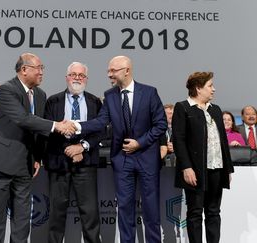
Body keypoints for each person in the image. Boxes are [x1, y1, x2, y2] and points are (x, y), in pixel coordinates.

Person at [0, 53, 75, 243]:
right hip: (0, 163)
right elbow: (23, 119)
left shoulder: (40, 95)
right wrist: (57, 125)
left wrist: (38, 157)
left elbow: (37, 130)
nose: (42, 72)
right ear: (24, 70)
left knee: (23, 219)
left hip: (25, 165)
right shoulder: (6, 89)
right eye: (38, 68)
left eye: (42, 69)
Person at [74, 55, 167, 243]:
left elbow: (160, 125)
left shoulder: (149, 93)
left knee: (151, 209)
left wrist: (139, 143)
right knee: (124, 208)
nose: (109, 75)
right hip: (122, 160)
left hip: (147, 158)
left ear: (127, 70)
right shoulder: (110, 96)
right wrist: (77, 126)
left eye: (113, 71)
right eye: (108, 71)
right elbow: (101, 121)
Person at [43, 62, 102, 243]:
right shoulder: (53, 101)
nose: (77, 78)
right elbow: (47, 130)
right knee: (56, 214)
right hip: (59, 164)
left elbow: (100, 130)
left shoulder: (94, 102)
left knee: (90, 213)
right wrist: (68, 150)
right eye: (73, 74)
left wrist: (81, 147)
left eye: (81, 75)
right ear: (67, 77)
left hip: (85, 163)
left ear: (86, 79)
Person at [172, 72, 234, 243]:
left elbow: (222, 141)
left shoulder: (216, 109)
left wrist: (227, 169)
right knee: (195, 213)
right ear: (198, 88)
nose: (213, 89)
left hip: (217, 168)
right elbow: (178, 140)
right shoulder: (183, 107)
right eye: (210, 86)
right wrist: (186, 167)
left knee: (214, 212)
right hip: (195, 170)